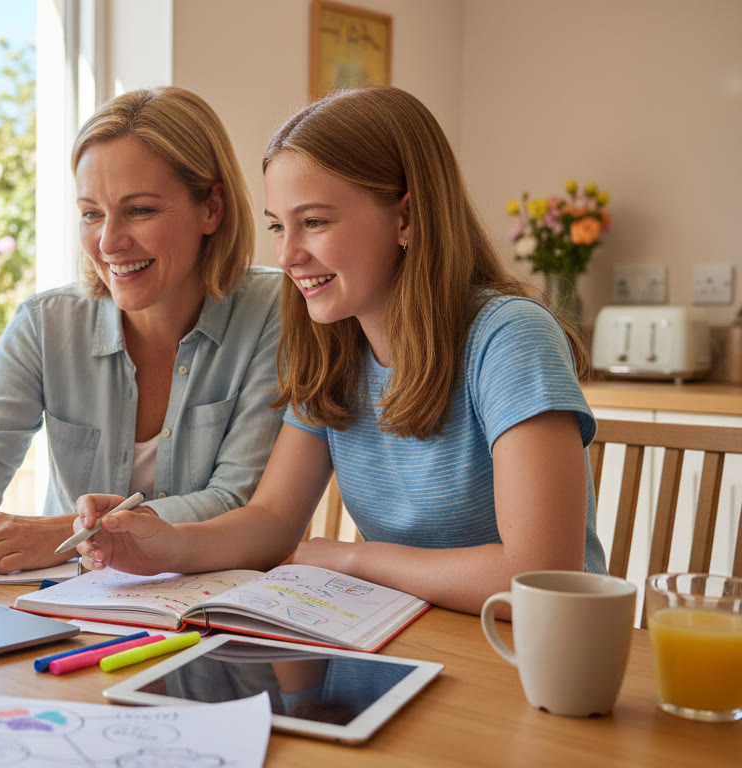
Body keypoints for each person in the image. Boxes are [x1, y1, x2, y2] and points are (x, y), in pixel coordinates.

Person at [72, 85, 608, 615]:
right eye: (278, 226)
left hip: (524, 652)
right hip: (405, 634)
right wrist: (166, 545)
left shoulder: (510, 337)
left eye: (314, 222)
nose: (287, 255)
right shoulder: (334, 348)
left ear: (405, 218)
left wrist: (354, 559)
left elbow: (540, 576)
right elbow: (272, 520)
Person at [0, 86, 284, 574]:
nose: (108, 242)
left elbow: (239, 502)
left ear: (212, 208)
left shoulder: (274, 310)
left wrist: (68, 533)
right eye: (91, 214)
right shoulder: (46, 325)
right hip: (70, 607)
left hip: (217, 610)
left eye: (140, 210)